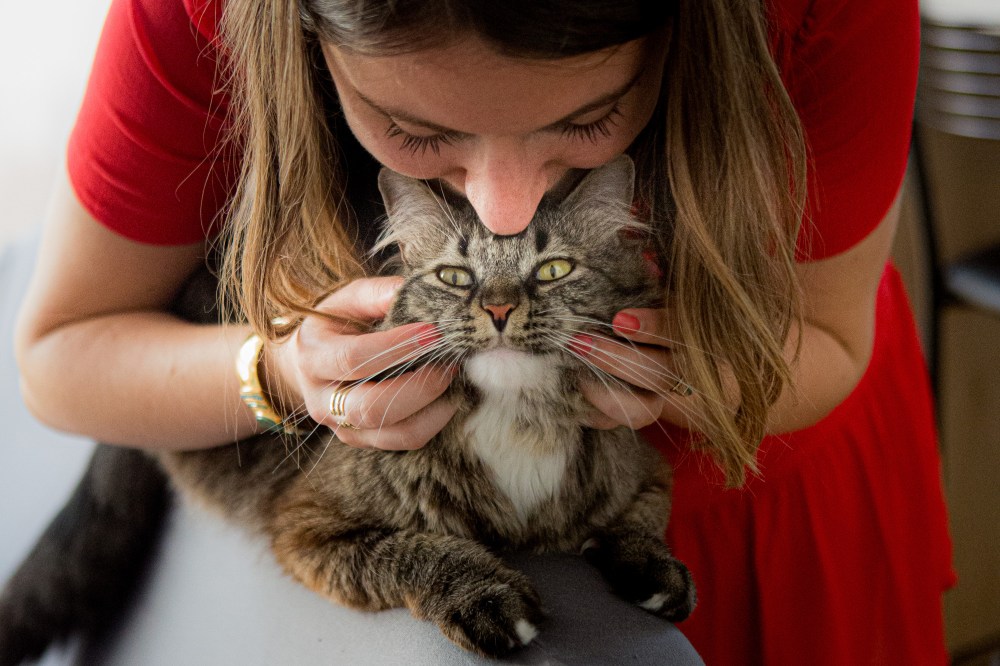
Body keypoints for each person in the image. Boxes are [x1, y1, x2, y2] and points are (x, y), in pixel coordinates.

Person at [13, 0, 953, 662]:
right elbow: (62, 356)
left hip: (766, 488)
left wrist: (689, 375)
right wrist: (284, 375)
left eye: (589, 120)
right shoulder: (197, 10)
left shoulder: (827, 7)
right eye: (415, 134)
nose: (504, 211)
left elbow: (825, 337)